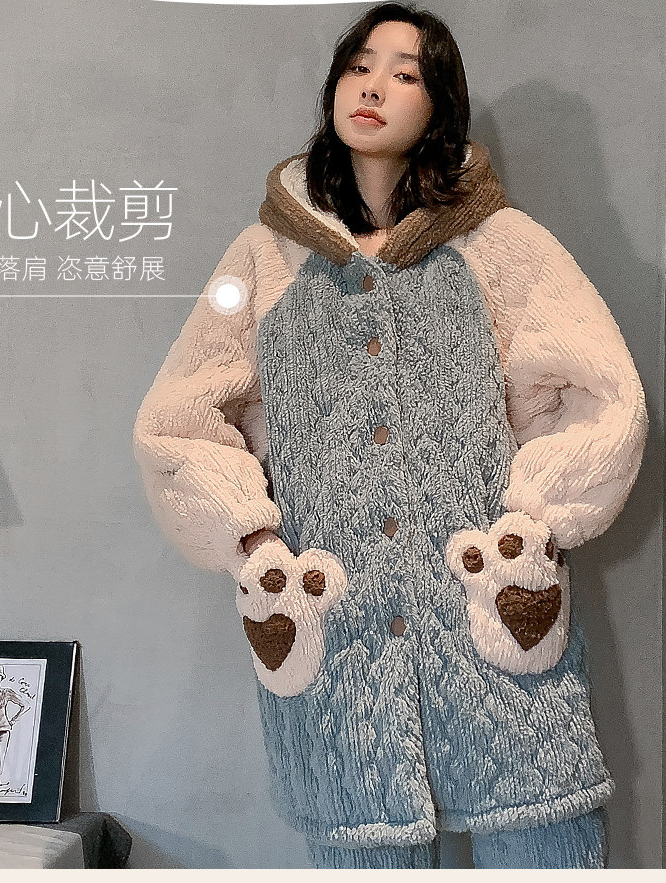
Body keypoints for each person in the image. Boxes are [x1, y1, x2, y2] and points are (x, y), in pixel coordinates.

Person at [133, 2, 648, 869]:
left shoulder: (502, 246)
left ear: (440, 106)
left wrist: (532, 526)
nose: (372, 86)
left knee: (547, 844)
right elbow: (177, 419)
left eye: (405, 74)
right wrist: (253, 542)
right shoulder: (262, 260)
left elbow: (603, 394)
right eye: (358, 66)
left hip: (492, 613)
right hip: (337, 637)